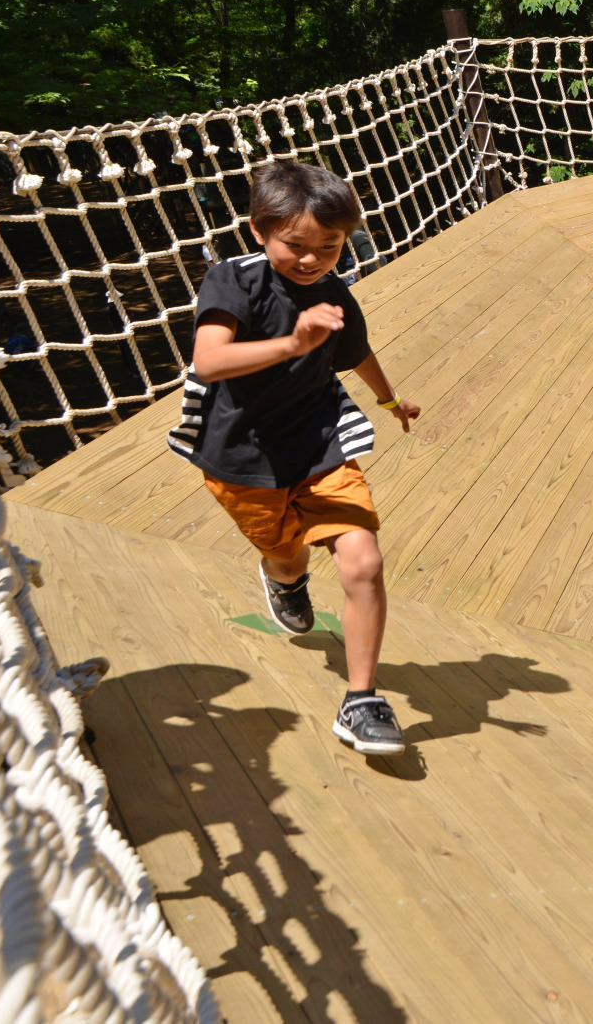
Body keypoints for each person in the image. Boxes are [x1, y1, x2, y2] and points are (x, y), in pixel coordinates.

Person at [168, 161, 423, 755]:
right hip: (242, 452)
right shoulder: (233, 279)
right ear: (260, 230)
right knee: (284, 554)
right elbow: (208, 362)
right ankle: (285, 578)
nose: (312, 260)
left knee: (362, 562)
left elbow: (355, 351)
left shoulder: (333, 291)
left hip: (319, 441)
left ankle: (361, 699)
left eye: (329, 246)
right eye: (296, 245)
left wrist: (388, 400)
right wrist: (291, 343)